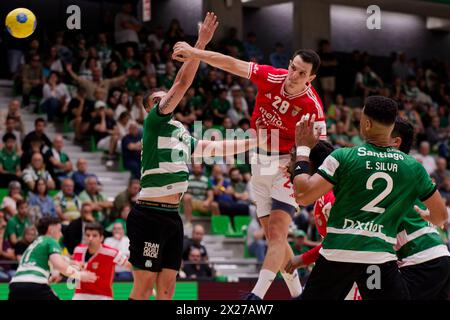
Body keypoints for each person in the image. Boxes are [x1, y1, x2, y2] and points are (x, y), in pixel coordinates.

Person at [173, 32, 326, 301]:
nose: (293, 75)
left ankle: (256, 295)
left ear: (310, 78)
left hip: (284, 168)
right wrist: (196, 52)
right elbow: (231, 63)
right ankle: (299, 294)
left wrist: (299, 165)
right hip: (259, 162)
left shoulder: (311, 106)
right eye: (292, 67)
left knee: (278, 233)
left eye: (301, 74)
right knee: (274, 239)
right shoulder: (272, 76)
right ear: (288, 63)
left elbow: (322, 149)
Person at [127, 13, 259, 300]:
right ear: (150, 108)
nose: (166, 101)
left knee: (167, 289)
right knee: (144, 285)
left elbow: (214, 149)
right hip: (149, 214)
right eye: (159, 99)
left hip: (172, 217)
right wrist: (199, 45)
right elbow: (181, 84)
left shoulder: (179, 131)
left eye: (165, 98)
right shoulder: (154, 122)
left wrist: (253, 140)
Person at [292, 96, 448, 300]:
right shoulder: (413, 167)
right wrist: (426, 215)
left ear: (366, 124)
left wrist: (303, 149)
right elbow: (441, 217)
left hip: (339, 253)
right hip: (378, 259)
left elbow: (302, 195)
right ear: (392, 126)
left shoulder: (343, 156)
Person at [388, 118, 450, 300]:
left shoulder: (393, 173)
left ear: (395, 142)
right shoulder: (414, 170)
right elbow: (441, 219)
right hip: (439, 253)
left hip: (420, 258)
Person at [8, 217, 97, 300]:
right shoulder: (50, 240)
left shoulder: (35, 244)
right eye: (59, 230)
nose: (61, 234)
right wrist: (79, 275)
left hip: (15, 286)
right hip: (35, 284)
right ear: (51, 229)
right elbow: (59, 265)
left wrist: (74, 263)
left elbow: (59, 260)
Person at [72, 223, 129, 300]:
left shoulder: (112, 253)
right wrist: (77, 273)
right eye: (88, 235)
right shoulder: (78, 250)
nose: (90, 238)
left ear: (101, 238)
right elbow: (71, 274)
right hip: (81, 294)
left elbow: (130, 266)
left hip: (103, 295)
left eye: (94, 236)